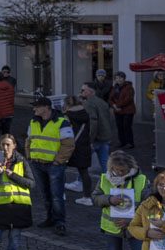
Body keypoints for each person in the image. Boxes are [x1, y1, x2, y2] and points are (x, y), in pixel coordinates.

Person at [92, 149, 151, 250]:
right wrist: (109, 199)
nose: (119, 173)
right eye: (116, 170)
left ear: (130, 168)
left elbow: (149, 206)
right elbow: (95, 198)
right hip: (111, 227)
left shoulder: (142, 180)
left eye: (123, 171)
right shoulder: (105, 178)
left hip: (135, 228)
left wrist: (130, 220)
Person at [27, 95, 73, 236]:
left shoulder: (61, 122)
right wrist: (29, 156)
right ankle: (50, 218)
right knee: (45, 194)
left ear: (46, 108)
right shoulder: (33, 122)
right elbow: (29, 140)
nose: (34, 109)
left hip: (54, 165)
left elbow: (68, 144)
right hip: (37, 163)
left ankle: (60, 222)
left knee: (56, 195)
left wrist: (58, 160)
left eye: (37, 106)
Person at [63, 94, 96, 207]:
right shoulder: (85, 114)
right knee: (84, 172)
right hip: (84, 145)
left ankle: (61, 194)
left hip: (70, 146)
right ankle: (87, 197)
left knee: (60, 169)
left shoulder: (67, 116)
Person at [79, 81, 113, 177]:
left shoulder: (89, 103)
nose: (81, 92)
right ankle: (110, 182)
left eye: (83, 90)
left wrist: (89, 139)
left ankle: (79, 182)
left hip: (96, 138)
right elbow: (108, 118)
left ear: (90, 91)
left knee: (83, 162)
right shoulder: (102, 102)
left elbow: (93, 122)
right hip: (105, 136)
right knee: (104, 161)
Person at [109, 71, 136, 149]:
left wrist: (117, 105)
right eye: (116, 78)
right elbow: (110, 98)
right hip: (118, 111)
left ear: (124, 78)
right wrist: (113, 105)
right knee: (120, 127)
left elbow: (128, 99)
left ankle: (130, 142)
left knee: (127, 126)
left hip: (128, 110)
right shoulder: (115, 88)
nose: (118, 79)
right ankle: (122, 142)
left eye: (120, 78)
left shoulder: (129, 87)